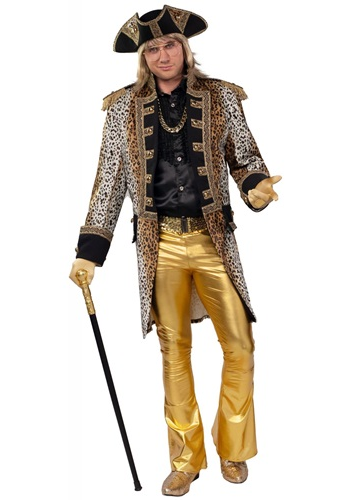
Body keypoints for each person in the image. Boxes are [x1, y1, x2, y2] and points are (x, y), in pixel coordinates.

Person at [69, 5, 282, 496]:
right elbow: (109, 180)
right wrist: (89, 252)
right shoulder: (122, 108)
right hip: (159, 243)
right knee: (174, 353)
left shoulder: (221, 97)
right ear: (143, 58)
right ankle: (185, 460)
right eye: (153, 49)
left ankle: (233, 449)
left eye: (170, 45)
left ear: (184, 49)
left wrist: (255, 187)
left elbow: (244, 155)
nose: (163, 55)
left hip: (213, 240)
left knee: (240, 346)